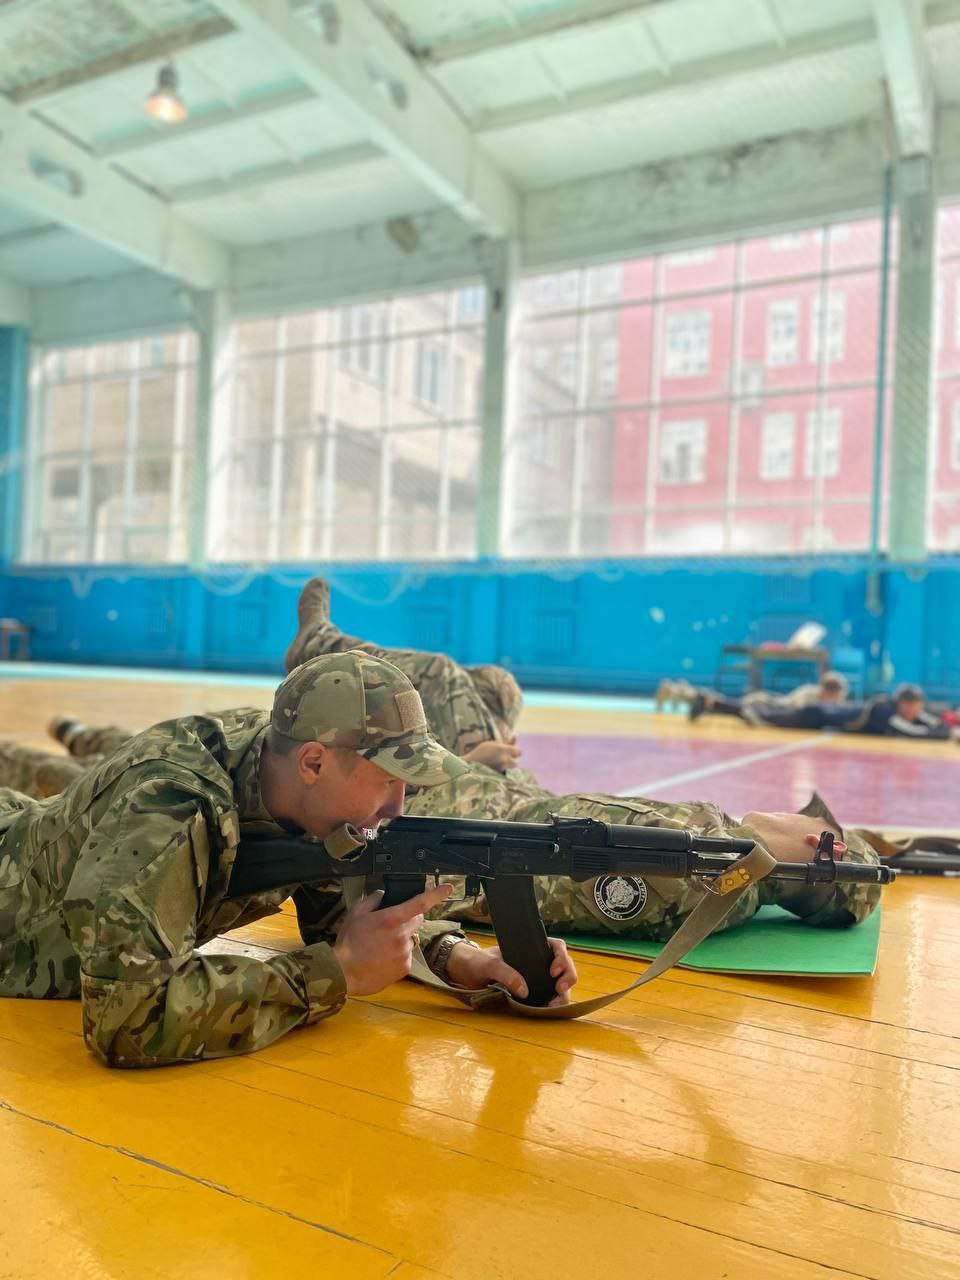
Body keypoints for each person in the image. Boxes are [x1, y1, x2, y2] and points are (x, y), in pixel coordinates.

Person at [0, 651, 578, 1069]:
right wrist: (337, 974)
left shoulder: (290, 781)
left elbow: (342, 918)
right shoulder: (166, 808)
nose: (399, 806)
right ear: (313, 763)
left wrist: (460, 959)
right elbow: (126, 1018)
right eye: (387, 782)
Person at [283, 577, 524, 765]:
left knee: (438, 673)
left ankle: (319, 643)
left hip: (470, 778)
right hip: (487, 770)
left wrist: (473, 761)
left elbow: (434, 791)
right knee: (497, 684)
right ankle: (317, 642)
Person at [689, 681, 954, 740]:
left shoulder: (894, 707)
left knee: (760, 714)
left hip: (817, 716)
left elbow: (924, 720)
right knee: (759, 716)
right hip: (813, 714)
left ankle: (712, 703)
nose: (916, 711)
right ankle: (712, 701)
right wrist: (945, 734)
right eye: (913, 707)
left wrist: (948, 727)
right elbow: (911, 731)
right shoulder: (887, 712)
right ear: (903, 704)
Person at [671, 671, 849, 723]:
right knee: (735, 707)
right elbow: (793, 708)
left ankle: (699, 698)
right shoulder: (810, 696)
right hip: (765, 702)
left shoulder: (816, 695)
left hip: (769, 703)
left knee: (730, 708)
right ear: (828, 692)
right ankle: (688, 693)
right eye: (836, 696)